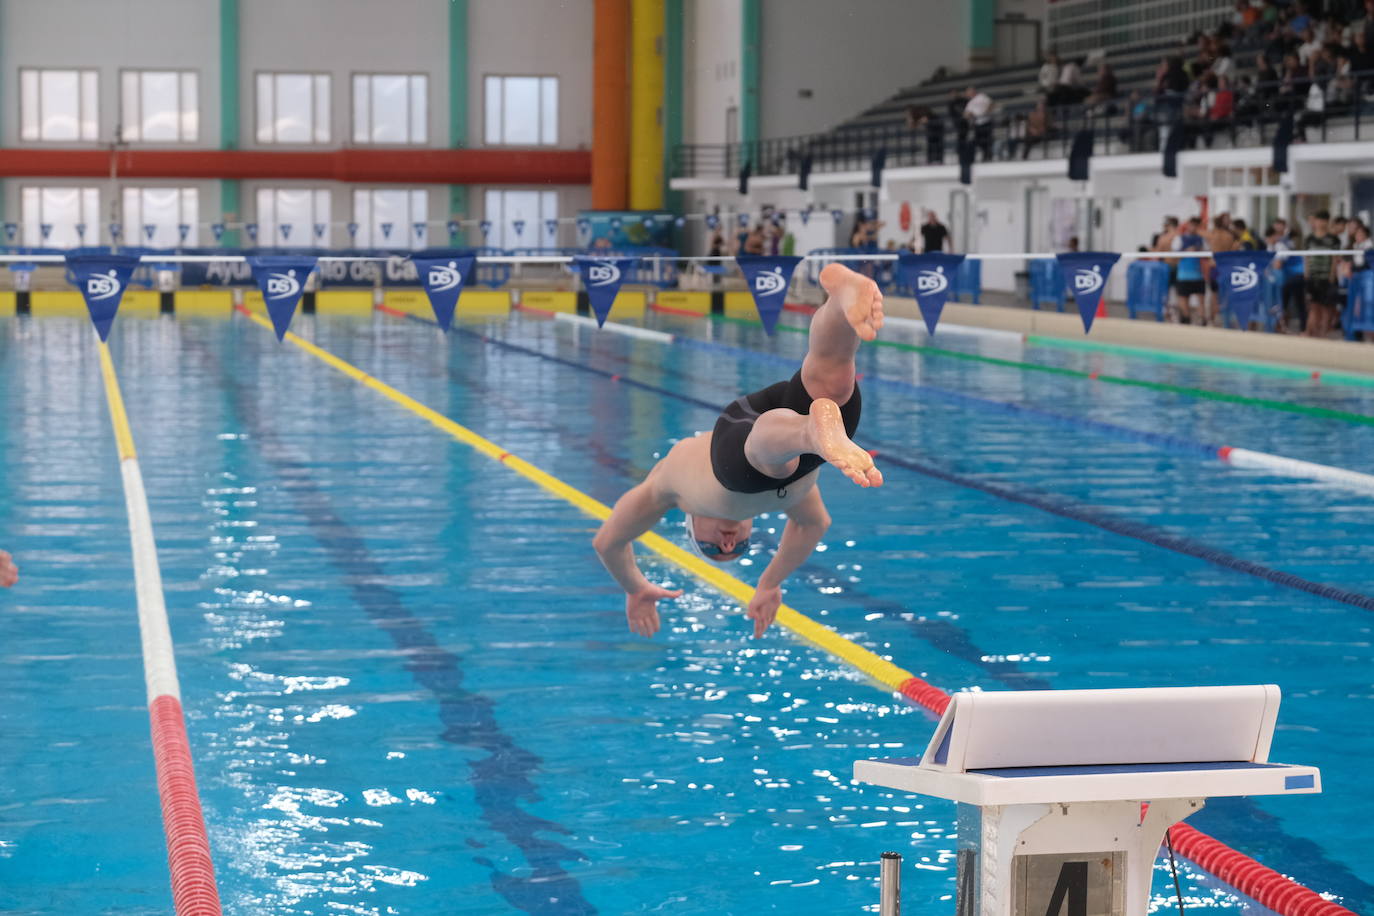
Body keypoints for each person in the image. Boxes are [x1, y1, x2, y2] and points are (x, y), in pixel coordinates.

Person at [593, 264, 884, 639]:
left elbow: (609, 542)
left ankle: (810, 430)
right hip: (800, 445)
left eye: (712, 546)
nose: (728, 542)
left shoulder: (666, 490)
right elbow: (815, 525)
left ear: (691, 522)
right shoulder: (793, 501)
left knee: (766, 463)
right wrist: (769, 582)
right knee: (832, 375)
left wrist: (635, 588)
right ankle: (839, 302)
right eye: (739, 547)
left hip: (747, 445)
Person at [1303, 209, 1341, 336]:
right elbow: (1306, 257)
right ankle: (1312, 332)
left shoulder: (1333, 239)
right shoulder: (1309, 239)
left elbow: (1335, 259)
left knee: (1327, 307)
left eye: (1323, 220)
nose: (1320, 223)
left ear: (1327, 222)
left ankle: (1324, 333)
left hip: (1327, 277)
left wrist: (1332, 276)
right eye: (1318, 220)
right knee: (1314, 306)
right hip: (1313, 277)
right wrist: (1306, 274)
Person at [1173, 217, 1207, 324]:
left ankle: (1202, 320)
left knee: (1201, 300)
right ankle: (1186, 319)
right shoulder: (1179, 239)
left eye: (1196, 225)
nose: (1194, 227)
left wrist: (1199, 250)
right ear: (1188, 225)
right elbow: (1174, 257)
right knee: (1183, 299)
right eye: (1192, 225)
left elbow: (1207, 255)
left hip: (1198, 275)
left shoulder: (1201, 239)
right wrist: (1186, 251)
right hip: (1184, 275)